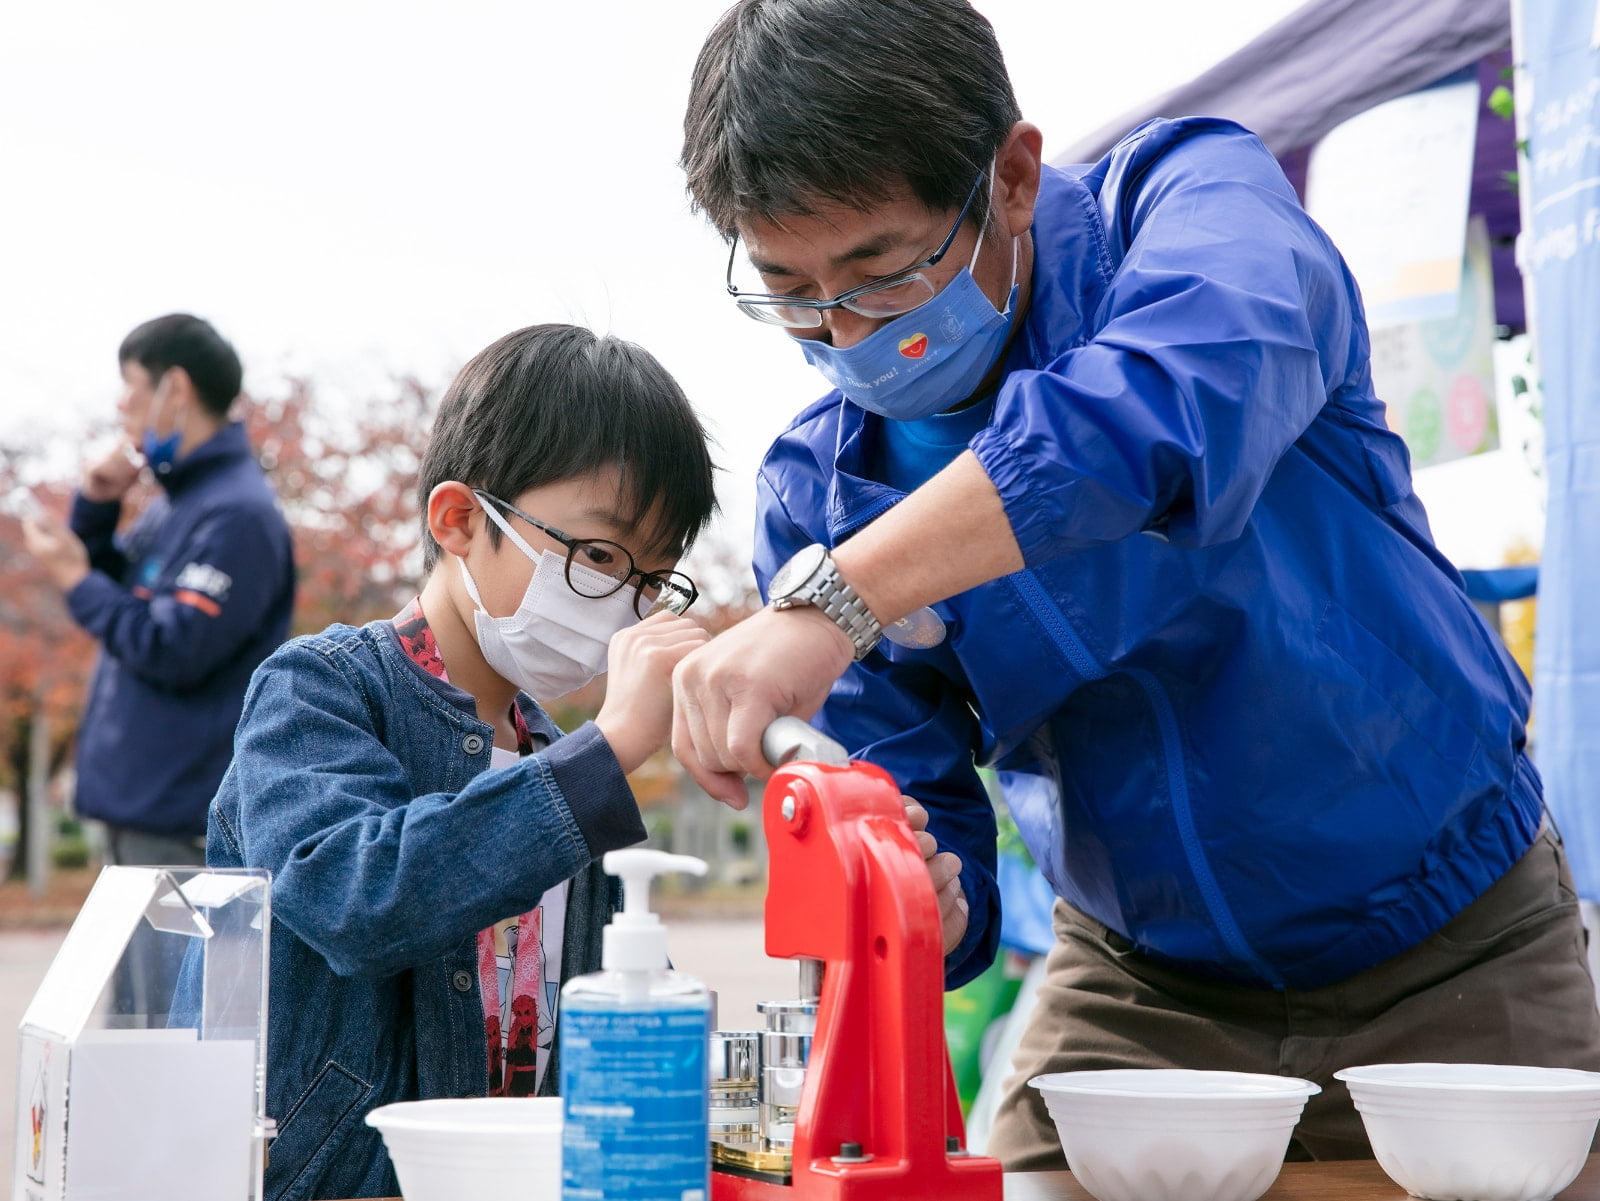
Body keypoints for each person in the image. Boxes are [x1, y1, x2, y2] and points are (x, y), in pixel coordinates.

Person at [671, 0, 1600, 1166]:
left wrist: (840, 597)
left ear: (1012, 178)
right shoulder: (820, 494)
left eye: (883, 273)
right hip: (1138, 988)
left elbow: (1162, 410)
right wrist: (920, 900)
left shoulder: (1192, 205)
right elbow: (911, 811)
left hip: (1455, 944)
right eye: (790, 291)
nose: (843, 334)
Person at [198, 323, 717, 1200]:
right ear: (460, 519)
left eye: (653, 581)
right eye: (599, 556)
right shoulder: (318, 689)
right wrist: (610, 749)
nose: (624, 606)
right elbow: (354, 898)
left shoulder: (554, 752)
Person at [21, 313, 295, 869]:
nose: (120, 403)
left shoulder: (236, 514)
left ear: (175, 387)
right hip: (147, 810)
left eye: (130, 384)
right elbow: (124, 598)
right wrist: (95, 508)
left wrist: (74, 578)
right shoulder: (184, 501)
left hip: (182, 819)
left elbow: (174, 648)